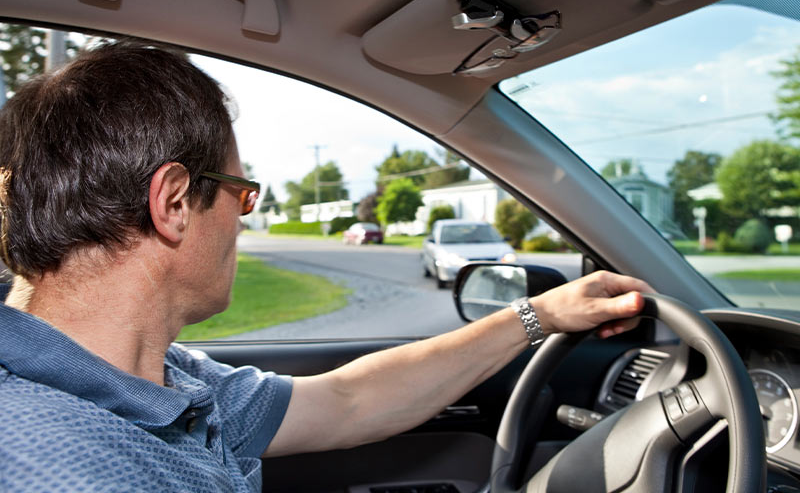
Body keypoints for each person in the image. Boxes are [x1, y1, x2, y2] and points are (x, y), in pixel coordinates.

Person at [0, 42, 648, 492]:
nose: (243, 220)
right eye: (242, 193)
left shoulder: (164, 379)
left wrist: (538, 314)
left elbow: (348, 400)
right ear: (173, 203)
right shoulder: (49, 463)